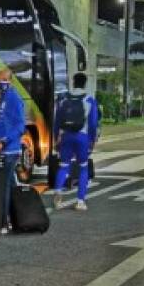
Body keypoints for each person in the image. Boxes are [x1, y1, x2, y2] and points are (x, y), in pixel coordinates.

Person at [52, 72, 99, 211]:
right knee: (83, 168)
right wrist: (92, 140)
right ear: (85, 84)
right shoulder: (89, 100)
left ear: (73, 83)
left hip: (66, 136)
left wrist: (56, 138)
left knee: (63, 166)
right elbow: (93, 123)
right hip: (82, 137)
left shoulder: (63, 99)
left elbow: (57, 121)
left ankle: (58, 194)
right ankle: (80, 201)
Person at [0, 68, 25, 234]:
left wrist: (3, 142)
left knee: (3, 185)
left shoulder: (13, 98)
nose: (0, 82)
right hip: (2, 149)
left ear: (11, 80)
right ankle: (15, 217)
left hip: (8, 150)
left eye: (4, 79)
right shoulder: (4, 98)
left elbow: (20, 126)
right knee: (9, 184)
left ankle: (4, 222)